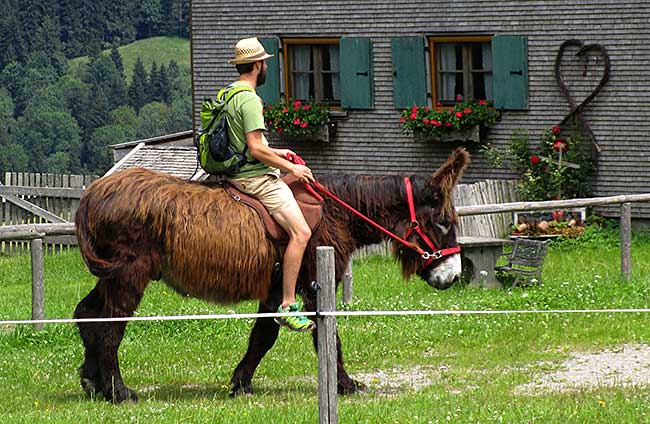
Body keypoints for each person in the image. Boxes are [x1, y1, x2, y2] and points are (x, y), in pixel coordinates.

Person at [223, 37, 316, 332]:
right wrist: (292, 168)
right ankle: (288, 304)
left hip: (235, 172)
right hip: (254, 178)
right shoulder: (250, 98)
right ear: (258, 66)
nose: (266, 68)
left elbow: (245, 143)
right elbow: (254, 149)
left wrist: (280, 151)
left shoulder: (229, 94)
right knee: (301, 232)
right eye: (264, 63)